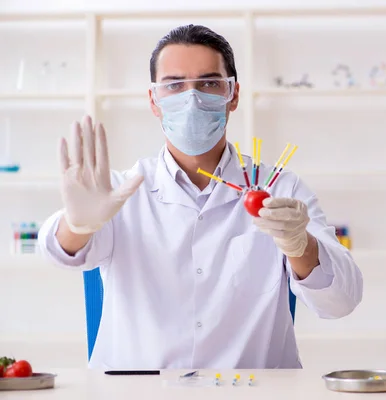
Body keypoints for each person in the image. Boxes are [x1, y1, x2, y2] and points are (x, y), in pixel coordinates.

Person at [37, 24, 363, 370]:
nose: (191, 98)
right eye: (174, 85)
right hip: (137, 391)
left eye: (209, 83)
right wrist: (77, 225)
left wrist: (301, 246)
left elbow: (341, 302)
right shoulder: (118, 192)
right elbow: (58, 255)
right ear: (154, 101)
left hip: (253, 391)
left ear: (232, 94)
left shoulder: (281, 188)